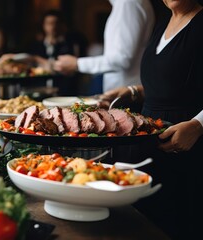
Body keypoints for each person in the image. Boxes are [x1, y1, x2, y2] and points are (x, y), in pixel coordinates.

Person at [97, 0, 203, 239]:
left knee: (177, 225)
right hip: (149, 143)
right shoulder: (165, 22)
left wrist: (198, 125)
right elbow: (168, 80)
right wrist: (133, 91)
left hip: (185, 147)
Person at [53, 0, 156, 94]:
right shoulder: (125, 4)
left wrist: (77, 64)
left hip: (128, 94)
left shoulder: (127, 3)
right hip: (124, 91)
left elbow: (122, 59)